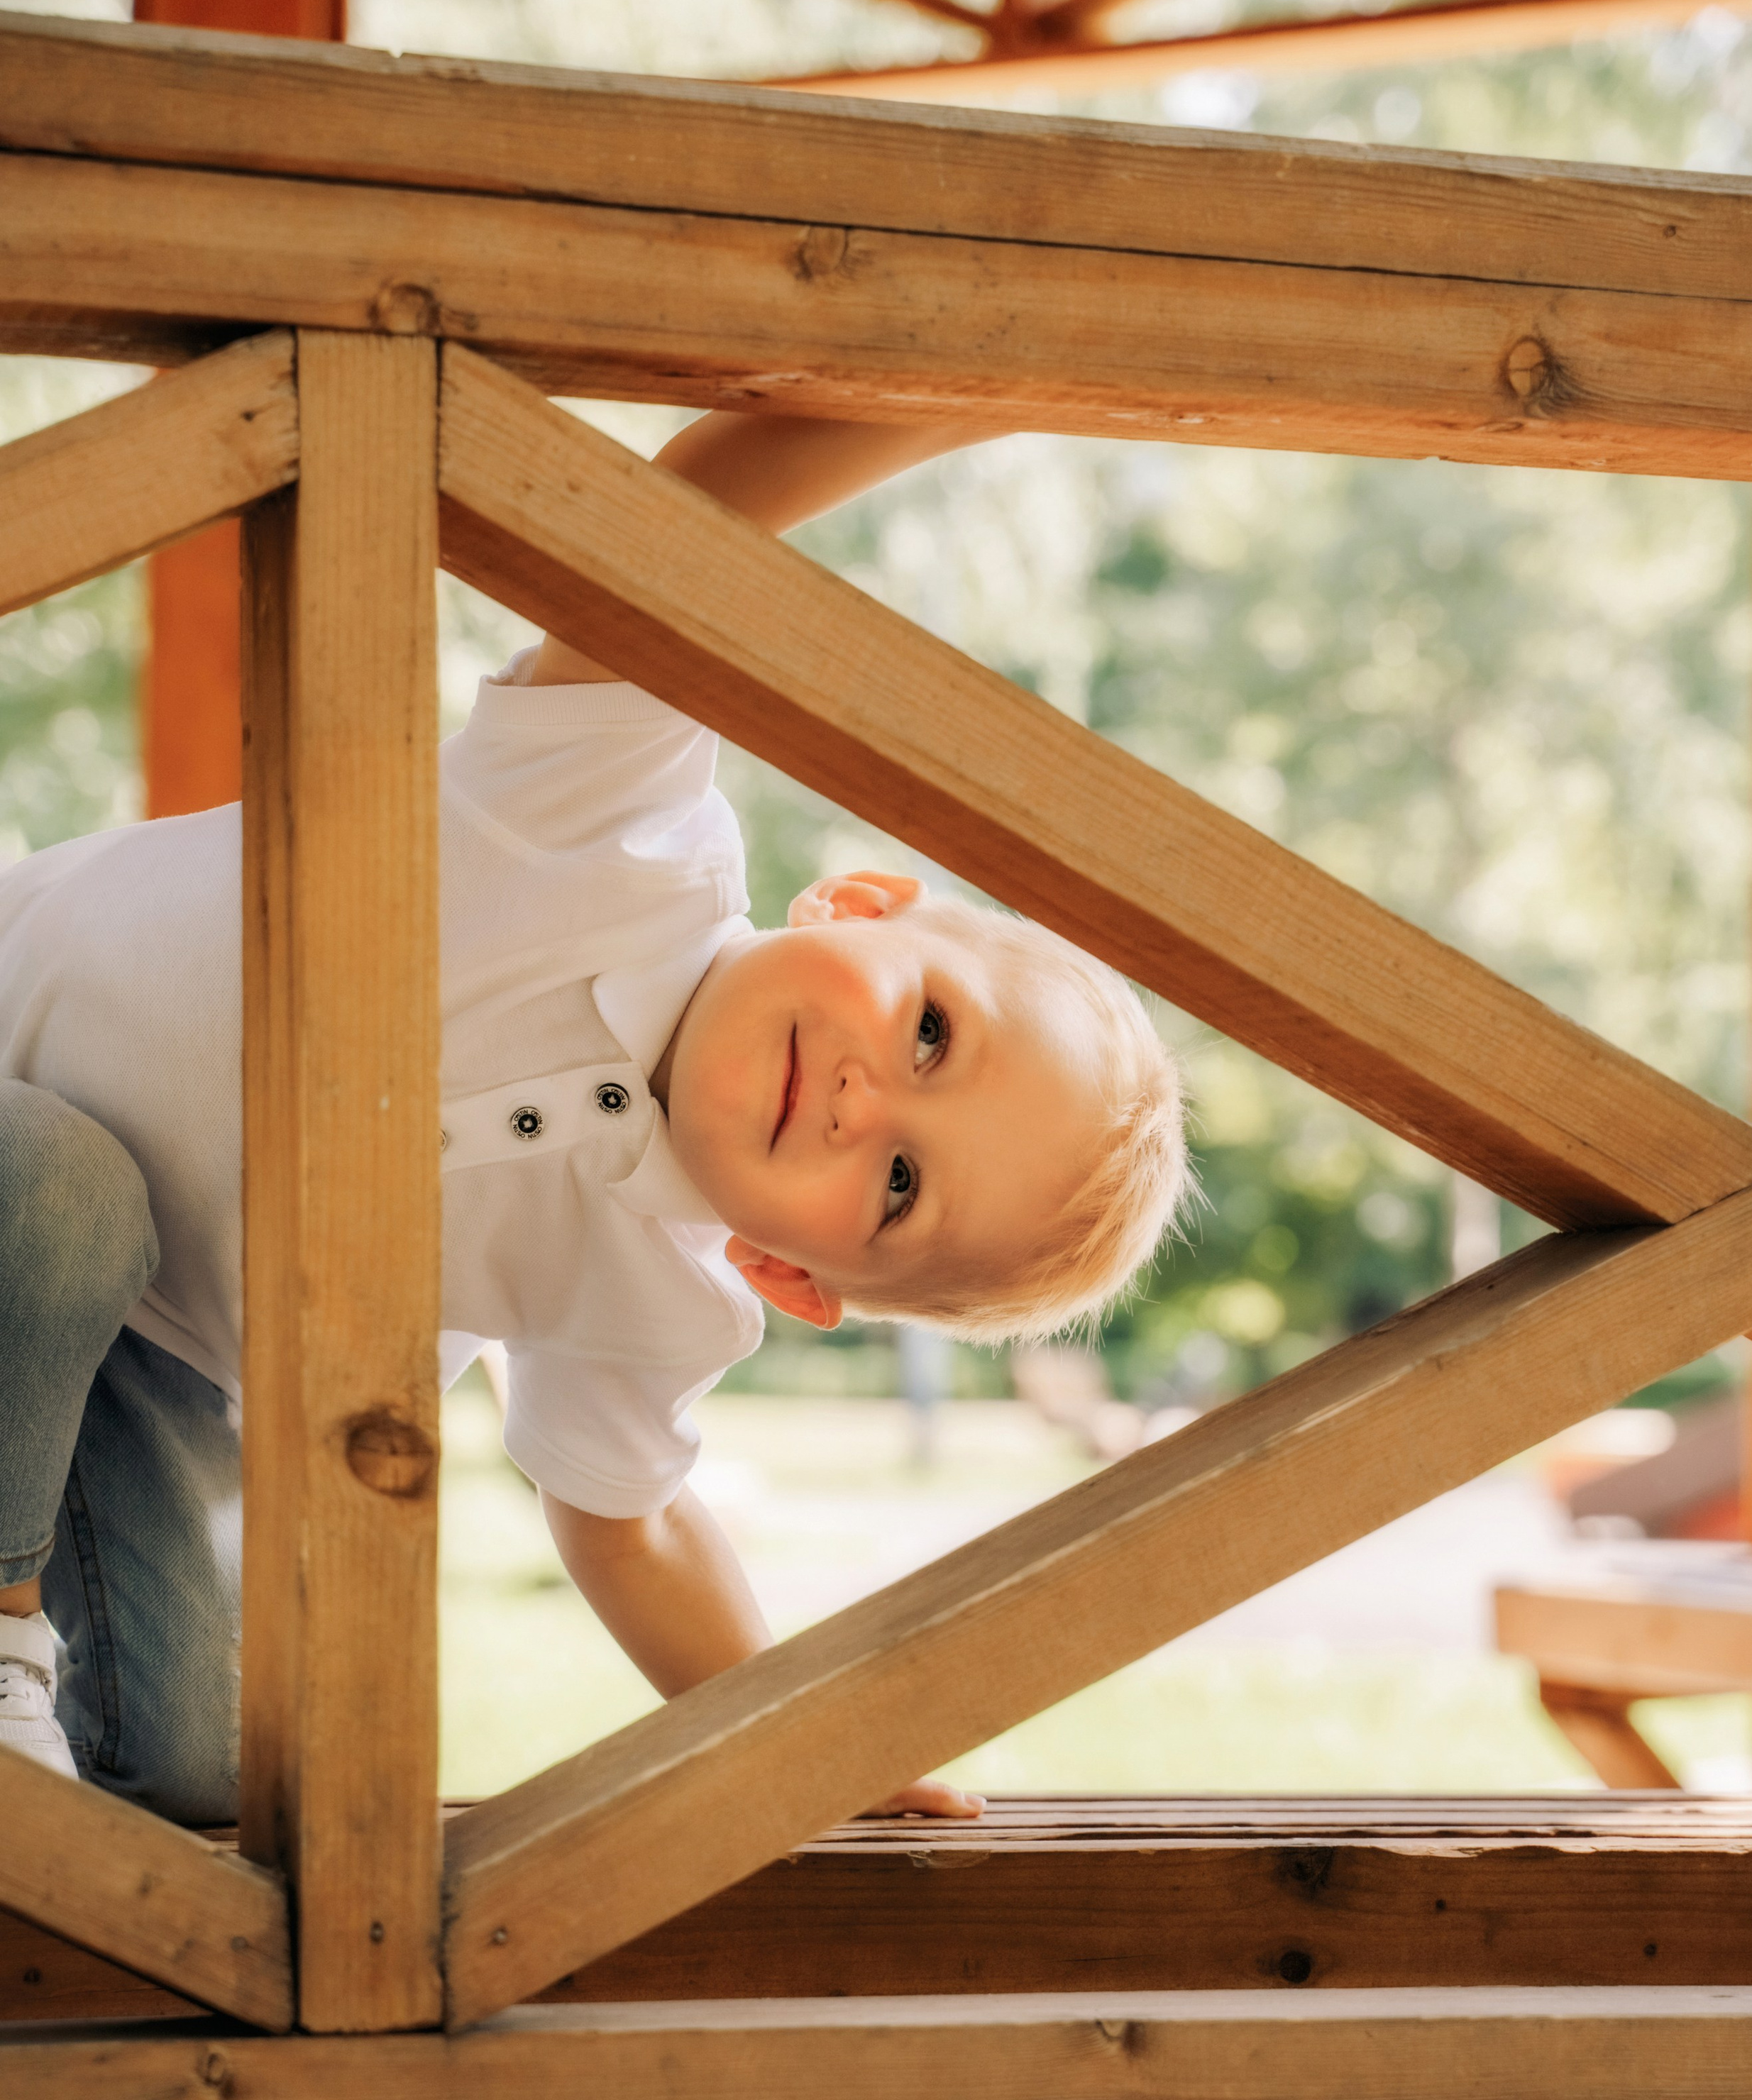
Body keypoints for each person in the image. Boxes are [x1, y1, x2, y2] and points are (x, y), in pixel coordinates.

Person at [0, 411, 1188, 1819]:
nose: (867, 1107)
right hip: (16, 1122)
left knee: (217, 1768)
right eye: (929, 1029)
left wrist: (802, 1745)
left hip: (166, 1369)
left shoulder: (654, 1300)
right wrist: (952, 390)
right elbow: (692, 513)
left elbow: (631, 1533)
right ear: (860, 903)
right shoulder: (614, 819)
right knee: (60, 1193)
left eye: (898, 1190)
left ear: (790, 1276)